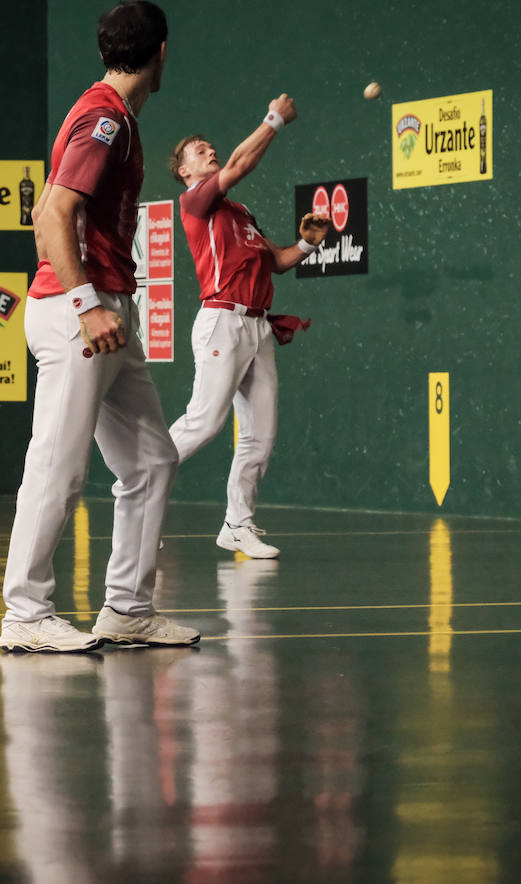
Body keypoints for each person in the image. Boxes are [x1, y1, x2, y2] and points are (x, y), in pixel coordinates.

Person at [0, 1, 198, 653]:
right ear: (162, 52)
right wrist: (83, 304)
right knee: (58, 465)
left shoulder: (114, 117)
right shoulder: (104, 118)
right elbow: (55, 212)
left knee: (150, 459)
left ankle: (128, 609)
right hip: (80, 314)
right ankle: (24, 613)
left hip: (107, 310)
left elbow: (40, 209)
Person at [165, 96, 330, 559]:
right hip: (221, 321)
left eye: (208, 146)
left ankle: (238, 524)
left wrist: (308, 244)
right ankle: (138, 482)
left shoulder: (240, 214)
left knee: (260, 432)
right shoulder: (195, 201)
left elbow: (277, 261)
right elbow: (238, 164)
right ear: (184, 171)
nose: (208, 150)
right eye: (197, 150)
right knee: (205, 422)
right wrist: (274, 120)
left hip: (257, 330)